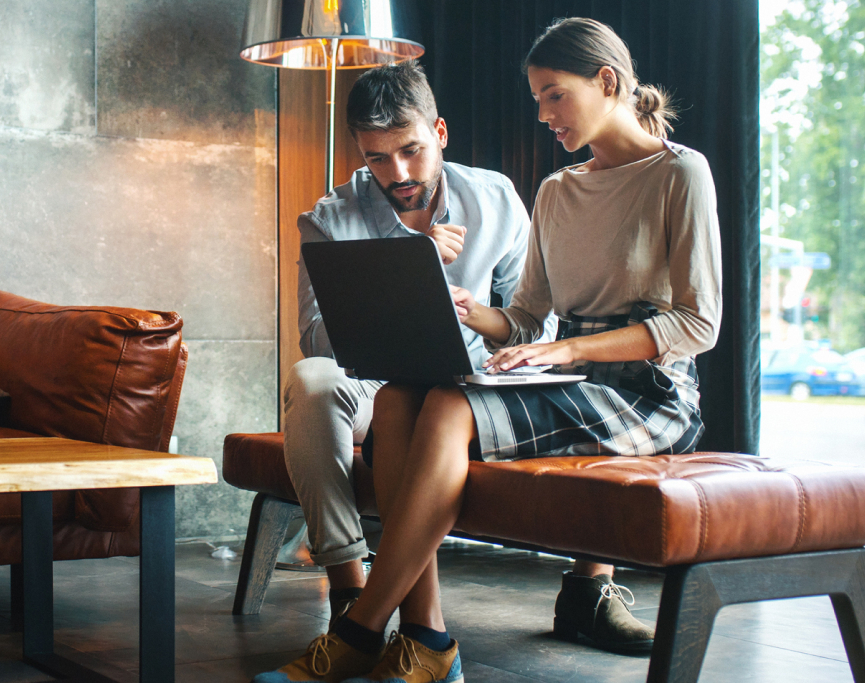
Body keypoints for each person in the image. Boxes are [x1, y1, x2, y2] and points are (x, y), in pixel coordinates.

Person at [256, 16, 722, 683]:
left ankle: (363, 630)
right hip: (561, 371)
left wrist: (563, 353)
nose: (541, 114)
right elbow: (527, 319)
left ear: (607, 82)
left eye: (553, 95)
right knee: (395, 399)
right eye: (536, 98)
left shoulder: (681, 173)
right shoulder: (557, 190)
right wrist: (467, 308)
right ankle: (423, 636)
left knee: (446, 404)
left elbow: (697, 325)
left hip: (646, 389)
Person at [258, 60, 556, 683]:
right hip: (370, 378)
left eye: (411, 151)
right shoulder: (328, 217)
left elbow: (534, 323)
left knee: (419, 400)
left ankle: (373, 631)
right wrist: (406, 268)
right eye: (376, 159)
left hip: (470, 382)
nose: (397, 174)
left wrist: (477, 321)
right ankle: (350, 589)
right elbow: (314, 337)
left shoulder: (497, 198)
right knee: (311, 382)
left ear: (440, 133)